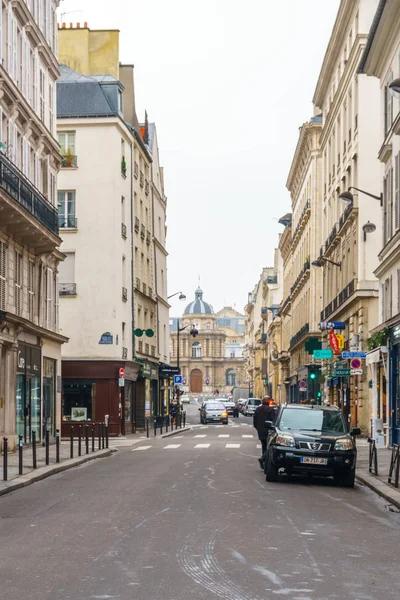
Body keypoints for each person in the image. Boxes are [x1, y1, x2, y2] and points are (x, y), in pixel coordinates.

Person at [253, 396, 278, 468]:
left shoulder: (258, 409)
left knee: (264, 446)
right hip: (269, 430)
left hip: (260, 430)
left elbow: (255, 420)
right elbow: (273, 420)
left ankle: (264, 462)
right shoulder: (270, 409)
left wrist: (258, 428)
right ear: (268, 401)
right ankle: (264, 459)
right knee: (269, 447)